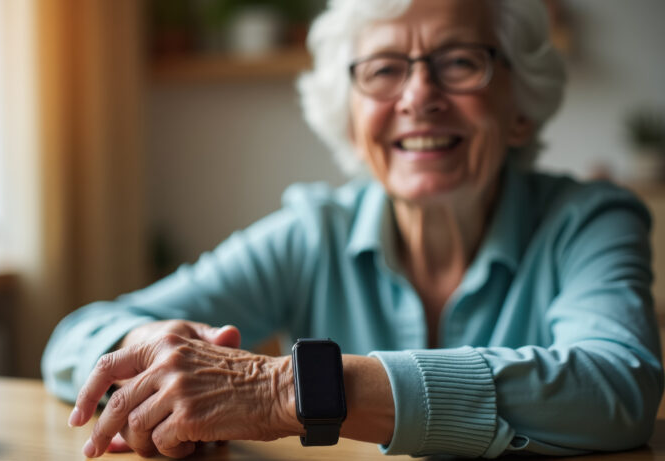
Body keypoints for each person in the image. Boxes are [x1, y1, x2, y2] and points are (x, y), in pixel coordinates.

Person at [42, 0, 664, 458]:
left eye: (460, 62)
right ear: (352, 118)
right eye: (385, 69)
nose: (419, 95)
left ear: (521, 106)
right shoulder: (315, 232)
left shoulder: (588, 222)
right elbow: (76, 337)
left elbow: (616, 387)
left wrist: (291, 389)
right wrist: (155, 352)